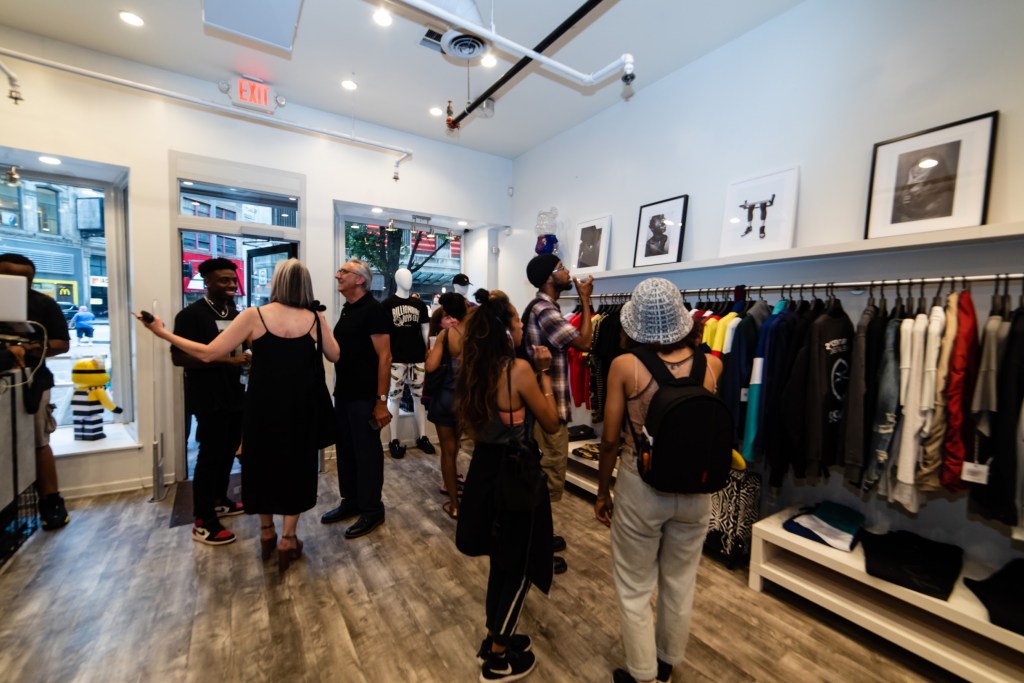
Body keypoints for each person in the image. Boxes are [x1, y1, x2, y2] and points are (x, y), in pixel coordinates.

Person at [138, 258, 340, 572]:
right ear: (305, 286)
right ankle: (288, 537)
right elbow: (335, 355)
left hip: (261, 409)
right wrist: (321, 321)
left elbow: (208, 353)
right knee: (296, 469)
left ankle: (266, 532)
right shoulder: (314, 318)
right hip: (300, 409)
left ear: (277, 283)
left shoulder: (253, 316)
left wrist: (163, 332)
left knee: (261, 466)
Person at [594, 277, 722, 683]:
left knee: (634, 584)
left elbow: (611, 438)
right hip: (697, 488)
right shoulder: (711, 364)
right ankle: (667, 663)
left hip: (641, 485)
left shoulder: (625, 366)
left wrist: (603, 490)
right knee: (680, 581)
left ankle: (643, 673)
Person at [454, 291, 559, 683]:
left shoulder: (473, 368)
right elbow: (550, 423)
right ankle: (497, 658)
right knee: (522, 563)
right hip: (515, 472)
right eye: (516, 322)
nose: (521, 326)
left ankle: (494, 634)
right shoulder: (518, 370)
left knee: (503, 557)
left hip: (485, 467)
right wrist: (545, 372)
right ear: (505, 331)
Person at [523, 253, 594, 574]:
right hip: (547, 408)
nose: (568, 272)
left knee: (543, 474)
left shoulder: (543, 308)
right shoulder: (545, 310)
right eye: (563, 268)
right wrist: (585, 300)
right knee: (546, 477)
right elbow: (584, 341)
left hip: (545, 404)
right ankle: (535, 547)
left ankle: (541, 536)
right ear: (551, 277)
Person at [171, 257, 249, 546]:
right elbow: (178, 357)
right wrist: (227, 362)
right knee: (210, 455)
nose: (230, 284)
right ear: (207, 282)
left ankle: (219, 499)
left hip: (235, 394)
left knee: (229, 449)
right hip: (208, 397)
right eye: (223, 280)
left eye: (233, 279)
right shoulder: (191, 315)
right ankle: (203, 521)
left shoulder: (237, 314)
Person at [321, 259, 392, 539]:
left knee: (367, 455)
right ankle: (350, 501)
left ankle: (373, 509)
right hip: (346, 393)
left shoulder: (374, 310)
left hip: (365, 397)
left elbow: (385, 357)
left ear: (360, 280)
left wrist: (381, 401)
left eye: (344, 272)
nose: (338, 275)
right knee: (347, 452)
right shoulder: (348, 310)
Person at [0, 254, 72, 530]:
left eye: (25, 279)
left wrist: (29, 348)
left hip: (32, 383)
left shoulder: (43, 304)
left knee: (39, 441)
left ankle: (51, 502)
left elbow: (61, 343)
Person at [381, 267, 434, 459]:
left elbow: (425, 329)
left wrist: (427, 351)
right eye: (405, 276)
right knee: (393, 398)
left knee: (419, 398)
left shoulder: (419, 305)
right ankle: (394, 439)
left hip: (417, 357)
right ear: (397, 279)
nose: (408, 279)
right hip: (396, 359)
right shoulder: (386, 304)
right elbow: (383, 333)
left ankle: (423, 436)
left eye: (410, 276)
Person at [425, 292, 468, 518]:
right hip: (469, 401)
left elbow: (431, 367)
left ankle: (454, 504)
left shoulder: (445, 334)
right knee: (472, 448)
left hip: (445, 399)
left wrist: (430, 354)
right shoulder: (476, 333)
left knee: (448, 453)